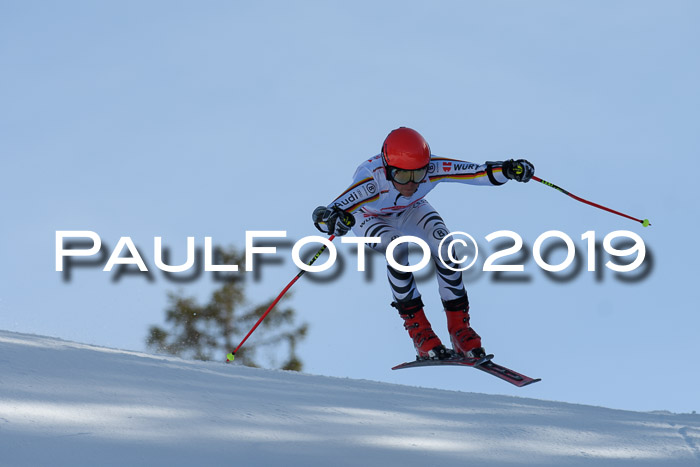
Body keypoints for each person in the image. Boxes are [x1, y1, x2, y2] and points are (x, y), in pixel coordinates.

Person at [312, 127, 534, 360]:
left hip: (410, 209)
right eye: (402, 176)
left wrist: (508, 170)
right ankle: (419, 331)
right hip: (370, 216)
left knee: (444, 243)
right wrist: (333, 220)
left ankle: (460, 329)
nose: (410, 184)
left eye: (417, 175)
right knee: (397, 248)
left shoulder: (432, 168)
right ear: (387, 170)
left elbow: (477, 172)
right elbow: (324, 214)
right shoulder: (371, 180)